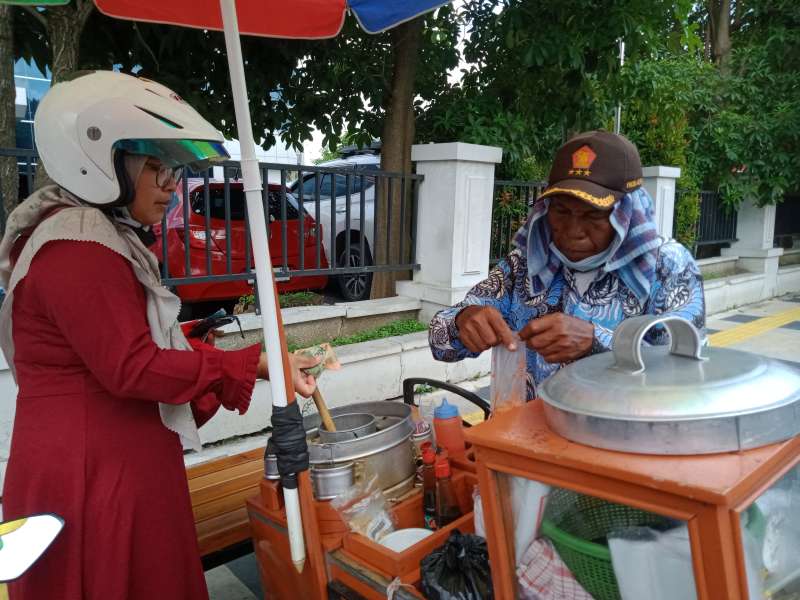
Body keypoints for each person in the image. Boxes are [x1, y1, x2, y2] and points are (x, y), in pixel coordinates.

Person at [0, 71, 317, 600]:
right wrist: (243, 365)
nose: (171, 183)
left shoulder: (92, 235)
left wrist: (234, 358)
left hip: (108, 459)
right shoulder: (78, 248)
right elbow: (133, 365)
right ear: (99, 160)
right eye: (156, 166)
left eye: (173, 168)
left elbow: (127, 343)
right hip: (92, 471)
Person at [430, 131, 705, 398]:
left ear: (627, 213)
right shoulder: (525, 262)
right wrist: (462, 320)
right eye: (561, 211)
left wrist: (597, 342)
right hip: (530, 426)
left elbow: (686, 371)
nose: (573, 231)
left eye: (593, 215)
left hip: (623, 427)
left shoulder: (668, 266)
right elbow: (439, 342)